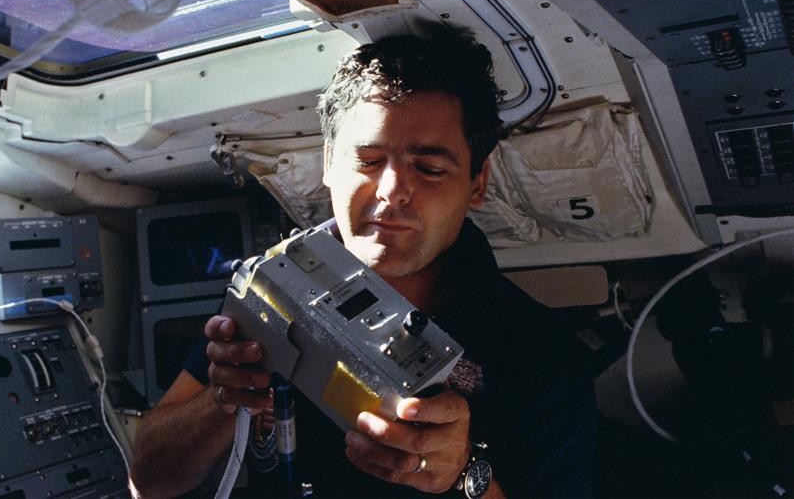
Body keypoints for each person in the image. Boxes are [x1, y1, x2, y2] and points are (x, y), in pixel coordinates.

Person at [129, 25, 595, 498]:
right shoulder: (275, 285)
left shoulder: (541, 356)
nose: (391, 191)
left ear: (477, 183)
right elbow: (146, 481)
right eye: (369, 161)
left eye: (429, 168)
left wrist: (462, 477)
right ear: (329, 163)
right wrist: (223, 400)